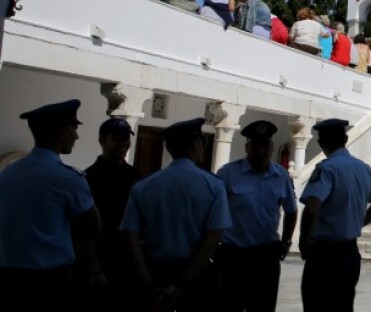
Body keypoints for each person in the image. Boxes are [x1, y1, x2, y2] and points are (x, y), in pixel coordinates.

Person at [0, 100, 102, 310]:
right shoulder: (68, 179)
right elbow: (92, 227)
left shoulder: (8, 173)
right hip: (49, 281)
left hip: (8, 278)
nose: (76, 136)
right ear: (60, 132)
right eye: (73, 129)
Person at [121, 118, 231, 311]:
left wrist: (147, 281)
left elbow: (131, 236)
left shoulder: (144, 186)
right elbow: (214, 236)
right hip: (195, 275)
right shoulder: (213, 185)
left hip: (154, 270)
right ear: (195, 145)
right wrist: (182, 282)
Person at [299, 118, 371, 312]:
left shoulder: (327, 169)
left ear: (321, 143)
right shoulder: (363, 168)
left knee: (317, 305)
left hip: (324, 254)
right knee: (344, 305)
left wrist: (304, 241)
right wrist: (357, 222)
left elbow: (312, 207)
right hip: (349, 253)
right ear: (346, 139)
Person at [216, 121, 298, 312]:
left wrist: (286, 241)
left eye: (265, 145)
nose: (261, 151)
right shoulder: (228, 174)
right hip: (234, 256)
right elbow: (213, 211)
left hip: (266, 258)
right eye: (256, 145)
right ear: (247, 147)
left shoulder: (281, 176)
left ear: (271, 147)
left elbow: (291, 211)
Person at [85, 117, 140, 311]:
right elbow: (83, 227)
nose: (123, 143)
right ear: (102, 141)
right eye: (116, 138)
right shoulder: (88, 177)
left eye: (126, 138)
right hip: (97, 259)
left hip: (128, 261)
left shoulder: (136, 177)